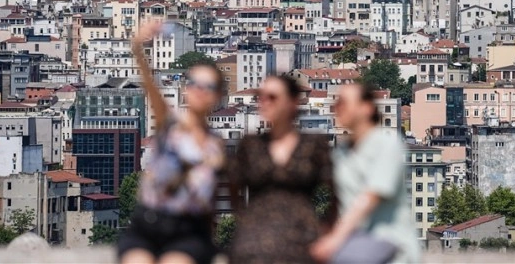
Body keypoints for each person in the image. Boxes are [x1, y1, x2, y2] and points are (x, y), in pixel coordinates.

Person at [118, 21, 225, 264]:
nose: (199, 90)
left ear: (217, 95)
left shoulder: (216, 145)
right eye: (194, 83)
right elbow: (151, 87)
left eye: (208, 86)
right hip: (149, 223)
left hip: (189, 230)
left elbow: (211, 200)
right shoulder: (170, 123)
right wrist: (138, 47)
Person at [228, 75, 335, 264]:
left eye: (273, 97)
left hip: (301, 240)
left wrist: (326, 232)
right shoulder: (250, 144)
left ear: (293, 102)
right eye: (261, 97)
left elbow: (335, 191)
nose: (264, 102)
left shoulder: (313, 144)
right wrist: (244, 222)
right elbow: (233, 188)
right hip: (254, 240)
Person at [311, 83, 421, 264]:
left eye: (344, 102)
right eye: (336, 103)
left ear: (366, 108)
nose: (337, 108)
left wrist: (335, 240)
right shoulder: (341, 152)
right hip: (353, 240)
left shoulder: (387, 144)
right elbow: (337, 204)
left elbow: (370, 197)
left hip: (387, 239)